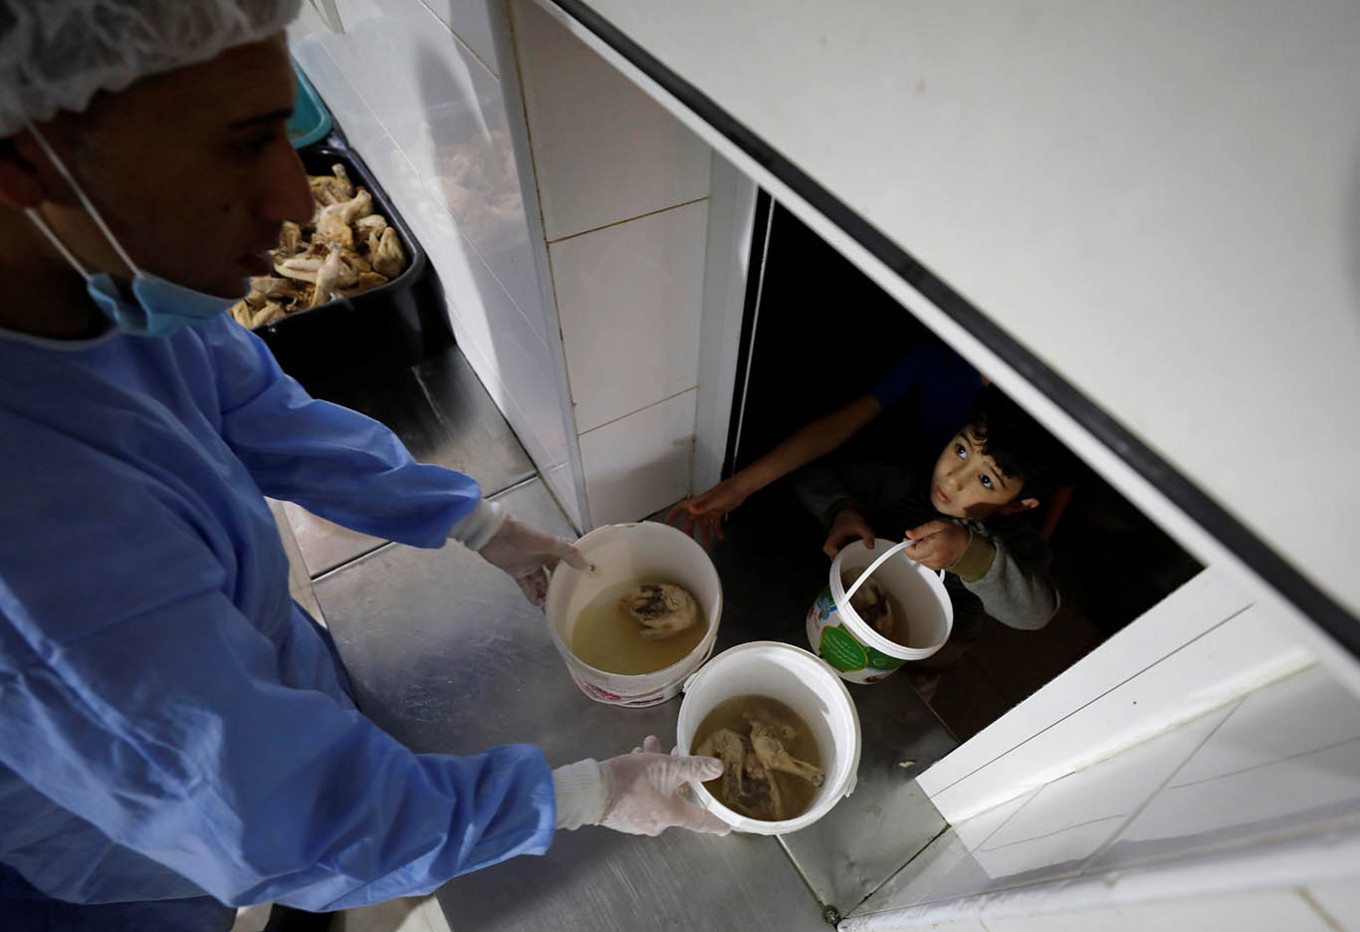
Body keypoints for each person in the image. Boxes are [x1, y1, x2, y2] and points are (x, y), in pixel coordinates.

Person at [0, 3, 725, 931]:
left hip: (263, 687)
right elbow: (280, 824)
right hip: (138, 859)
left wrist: (477, 523)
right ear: (28, 154)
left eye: (284, 129)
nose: (296, 201)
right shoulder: (35, 564)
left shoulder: (106, 283)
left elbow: (256, 408)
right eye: (241, 144)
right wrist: (588, 793)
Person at [672, 343, 1070, 674]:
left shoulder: (1015, 544)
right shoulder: (903, 482)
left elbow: (1036, 613)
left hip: (925, 652)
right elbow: (819, 472)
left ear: (1019, 504)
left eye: (986, 481)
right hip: (842, 619)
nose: (952, 479)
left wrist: (970, 553)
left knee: (918, 675)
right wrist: (841, 510)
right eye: (960, 450)